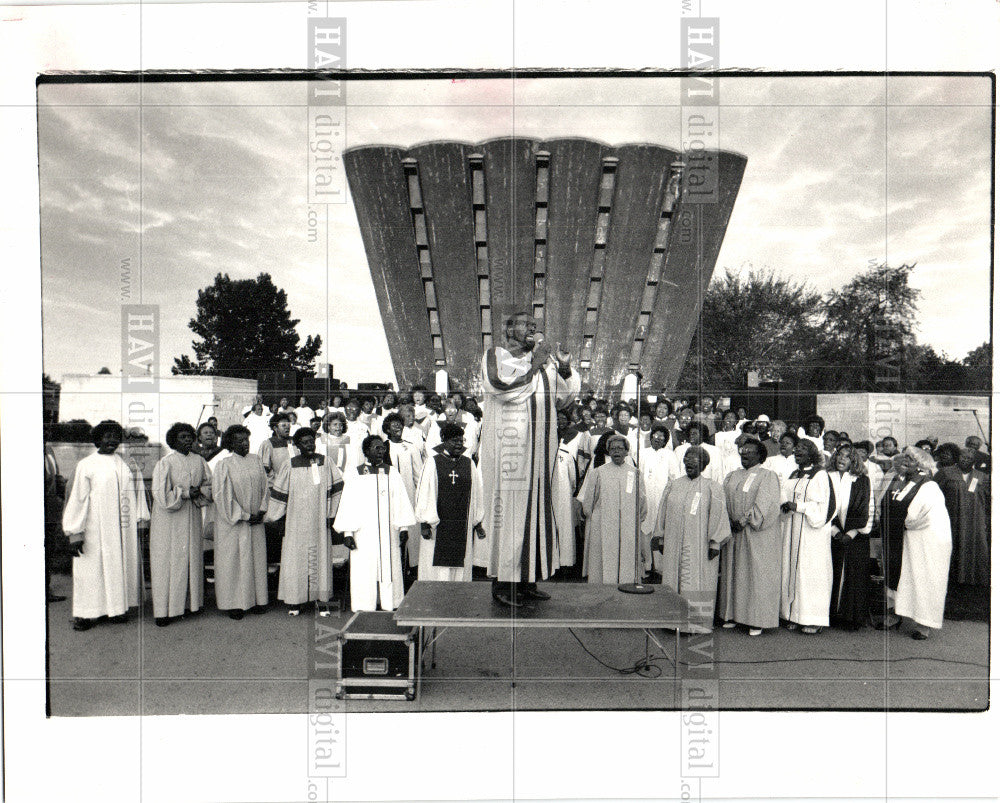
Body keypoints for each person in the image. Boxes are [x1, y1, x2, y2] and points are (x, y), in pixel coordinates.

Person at [479, 311, 580, 606]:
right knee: (511, 513)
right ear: (509, 328)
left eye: (535, 326)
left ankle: (527, 580)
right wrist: (536, 362)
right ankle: (503, 585)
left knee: (536, 511)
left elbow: (564, 398)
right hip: (512, 449)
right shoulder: (496, 355)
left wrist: (563, 368)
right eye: (526, 325)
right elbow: (502, 386)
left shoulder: (544, 362)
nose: (533, 330)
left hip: (540, 451)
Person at [61, 421, 149, 631]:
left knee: (118, 568)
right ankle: (85, 614)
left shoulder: (127, 464)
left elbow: (137, 493)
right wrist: (74, 532)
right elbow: (77, 499)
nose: (111, 441)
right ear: (98, 439)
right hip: (94, 529)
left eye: (115, 436)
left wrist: (141, 520)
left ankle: (116, 610)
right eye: (106, 436)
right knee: (91, 571)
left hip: (122, 529)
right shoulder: (86, 464)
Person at [264, 427, 344, 614]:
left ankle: (322, 601)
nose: (310, 444)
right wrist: (275, 517)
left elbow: (338, 488)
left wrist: (331, 515)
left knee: (320, 559)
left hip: (319, 520)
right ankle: (294, 601)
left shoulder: (326, 462)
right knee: (296, 560)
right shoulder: (289, 464)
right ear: (297, 445)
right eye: (305, 442)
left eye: (311, 441)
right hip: (295, 521)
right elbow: (280, 493)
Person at [335, 436, 417, 612]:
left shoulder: (391, 473)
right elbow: (348, 503)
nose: (381, 452)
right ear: (366, 451)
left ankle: (391, 603)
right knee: (364, 569)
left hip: (389, 532)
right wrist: (348, 533)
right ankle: (364, 606)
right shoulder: (356, 474)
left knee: (390, 568)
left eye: (382, 448)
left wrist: (403, 527)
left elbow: (401, 500)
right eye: (376, 448)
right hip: (363, 532)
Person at [652, 446, 729, 633]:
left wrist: (715, 542)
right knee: (672, 579)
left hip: (700, 545)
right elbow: (662, 511)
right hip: (673, 543)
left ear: (703, 464)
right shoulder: (674, 485)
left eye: (695, 459)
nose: (690, 462)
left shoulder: (712, 487)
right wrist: (660, 536)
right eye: (687, 458)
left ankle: (696, 625)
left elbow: (719, 516)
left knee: (697, 581)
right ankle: (671, 622)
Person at [879, 446, 953, 639]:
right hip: (895, 536)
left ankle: (923, 624)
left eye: (911, 459)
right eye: (905, 457)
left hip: (917, 539)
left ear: (920, 465)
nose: (906, 461)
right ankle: (894, 615)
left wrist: (903, 523)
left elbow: (926, 516)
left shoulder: (929, 486)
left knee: (920, 577)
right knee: (894, 575)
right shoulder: (897, 480)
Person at [150, 422, 213, 626]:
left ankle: (190, 605)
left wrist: (200, 492)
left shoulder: (199, 461)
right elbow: (160, 495)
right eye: (182, 437)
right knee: (169, 561)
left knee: (190, 559)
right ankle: (165, 610)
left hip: (192, 516)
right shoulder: (165, 463)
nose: (187, 440)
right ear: (173, 440)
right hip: (169, 520)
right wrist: (185, 493)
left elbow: (209, 484)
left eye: (189, 437)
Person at [717, 439, 783, 636]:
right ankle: (734, 616)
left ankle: (757, 620)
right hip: (734, 531)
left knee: (756, 575)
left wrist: (744, 520)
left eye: (750, 451)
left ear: (760, 455)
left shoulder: (767, 476)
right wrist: (728, 520)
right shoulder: (732, 475)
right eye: (743, 450)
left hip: (756, 534)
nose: (744, 453)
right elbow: (722, 499)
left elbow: (766, 503)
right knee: (735, 573)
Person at [211, 426, 271, 619]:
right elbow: (222, 496)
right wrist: (244, 515)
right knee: (234, 562)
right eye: (239, 440)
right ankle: (234, 604)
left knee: (255, 559)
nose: (245, 443)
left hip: (256, 520)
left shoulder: (256, 461)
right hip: (234, 522)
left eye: (246, 439)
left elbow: (265, 488)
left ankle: (256, 600)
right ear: (230, 443)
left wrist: (262, 509)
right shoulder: (224, 465)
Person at [414, 422, 486, 581]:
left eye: (461, 440)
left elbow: (476, 494)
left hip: (462, 524)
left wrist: (477, 522)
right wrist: (425, 523)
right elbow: (424, 493)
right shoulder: (433, 462)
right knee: (438, 567)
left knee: (460, 563)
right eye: (454, 440)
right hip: (438, 526)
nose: (459, 444)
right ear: (444, 441)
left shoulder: (468, 463)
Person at [779, 438, 836, 634]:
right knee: (792, 571)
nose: (797, 451)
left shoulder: (820, 475)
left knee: (810, 573)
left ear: (812, 453)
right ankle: (793, 614)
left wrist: (799, 507)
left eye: (802, 449)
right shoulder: (794, 473)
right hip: (791, 529)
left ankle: (813, 618)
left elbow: (825, 507)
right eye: (796, 449)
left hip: (811, 533)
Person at [577, 434, 647, 584]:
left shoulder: (634, 473)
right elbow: (589, 499)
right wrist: (593, 517)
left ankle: (627, 583)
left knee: (626, 555)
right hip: (603, 523)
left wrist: (635, 518)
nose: (616, 451)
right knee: (603, 556)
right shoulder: (599, 472)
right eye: (613, 448)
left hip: (627, 524)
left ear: (626, 452)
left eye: (620, 448)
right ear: (608, 451)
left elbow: (641, 500)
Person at [828, 444, 875, 630]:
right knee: (831, 572)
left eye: (847, 457)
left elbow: (868, 508)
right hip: (831, 533)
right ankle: (830, 615)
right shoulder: (827, 477)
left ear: (853, 460)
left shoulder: (862, 480)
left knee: (853, 575)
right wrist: (834, 531)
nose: (842, 459)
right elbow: (823, 505)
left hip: (855, 536)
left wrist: (851, 533)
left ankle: (850, 618)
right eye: (839, 455)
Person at [935, 446, 989, 587]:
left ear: (974, 461)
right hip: (951, 518)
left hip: (974, 520)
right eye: (963, 457)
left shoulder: (981, 476)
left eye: (970, 458)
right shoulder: (945, 473)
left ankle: (972, 580)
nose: (966, 460)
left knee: (974, 547)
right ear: (957, 457)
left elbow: (988, 500)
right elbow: (934, 494)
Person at [259, 412, 297, 566]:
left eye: (288, 424)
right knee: (275, 525)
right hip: (276, 491)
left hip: (294, 490)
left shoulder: (293, 443)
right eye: (283, 425)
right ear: (275, 428)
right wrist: (276, 485)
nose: (287, 427)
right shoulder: (267, 444)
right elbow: (264, 470)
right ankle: (273, 564)